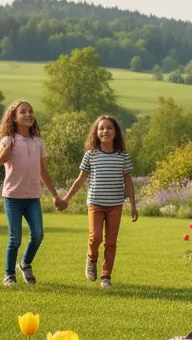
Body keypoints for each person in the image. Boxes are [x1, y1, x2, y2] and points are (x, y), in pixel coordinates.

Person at [0, 100, 63, 286]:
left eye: (30, 111)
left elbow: (43, 171)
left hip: (32, 198)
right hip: (12, 197)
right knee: (15, 239)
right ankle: (9, 275)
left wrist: (55, 195)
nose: (28, 114)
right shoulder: (8, 141)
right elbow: (0, 160)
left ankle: (25, 264)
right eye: (23, 112)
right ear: (14, 117)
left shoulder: (38, 142)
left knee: (38, 235)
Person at [59, 115, 137, 289]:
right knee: (95, 237)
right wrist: (66, 199)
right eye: (101, 128)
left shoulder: (122, 155)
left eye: (109, 128)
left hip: (115, 205)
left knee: (111, 241)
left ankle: (105, 276)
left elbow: (128, 180)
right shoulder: (91, 155)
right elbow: (80, 180)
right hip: (95, 203)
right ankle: (91, 258)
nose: (105, 131)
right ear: (96, 132)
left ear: (115, 132)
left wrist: (133, 204)